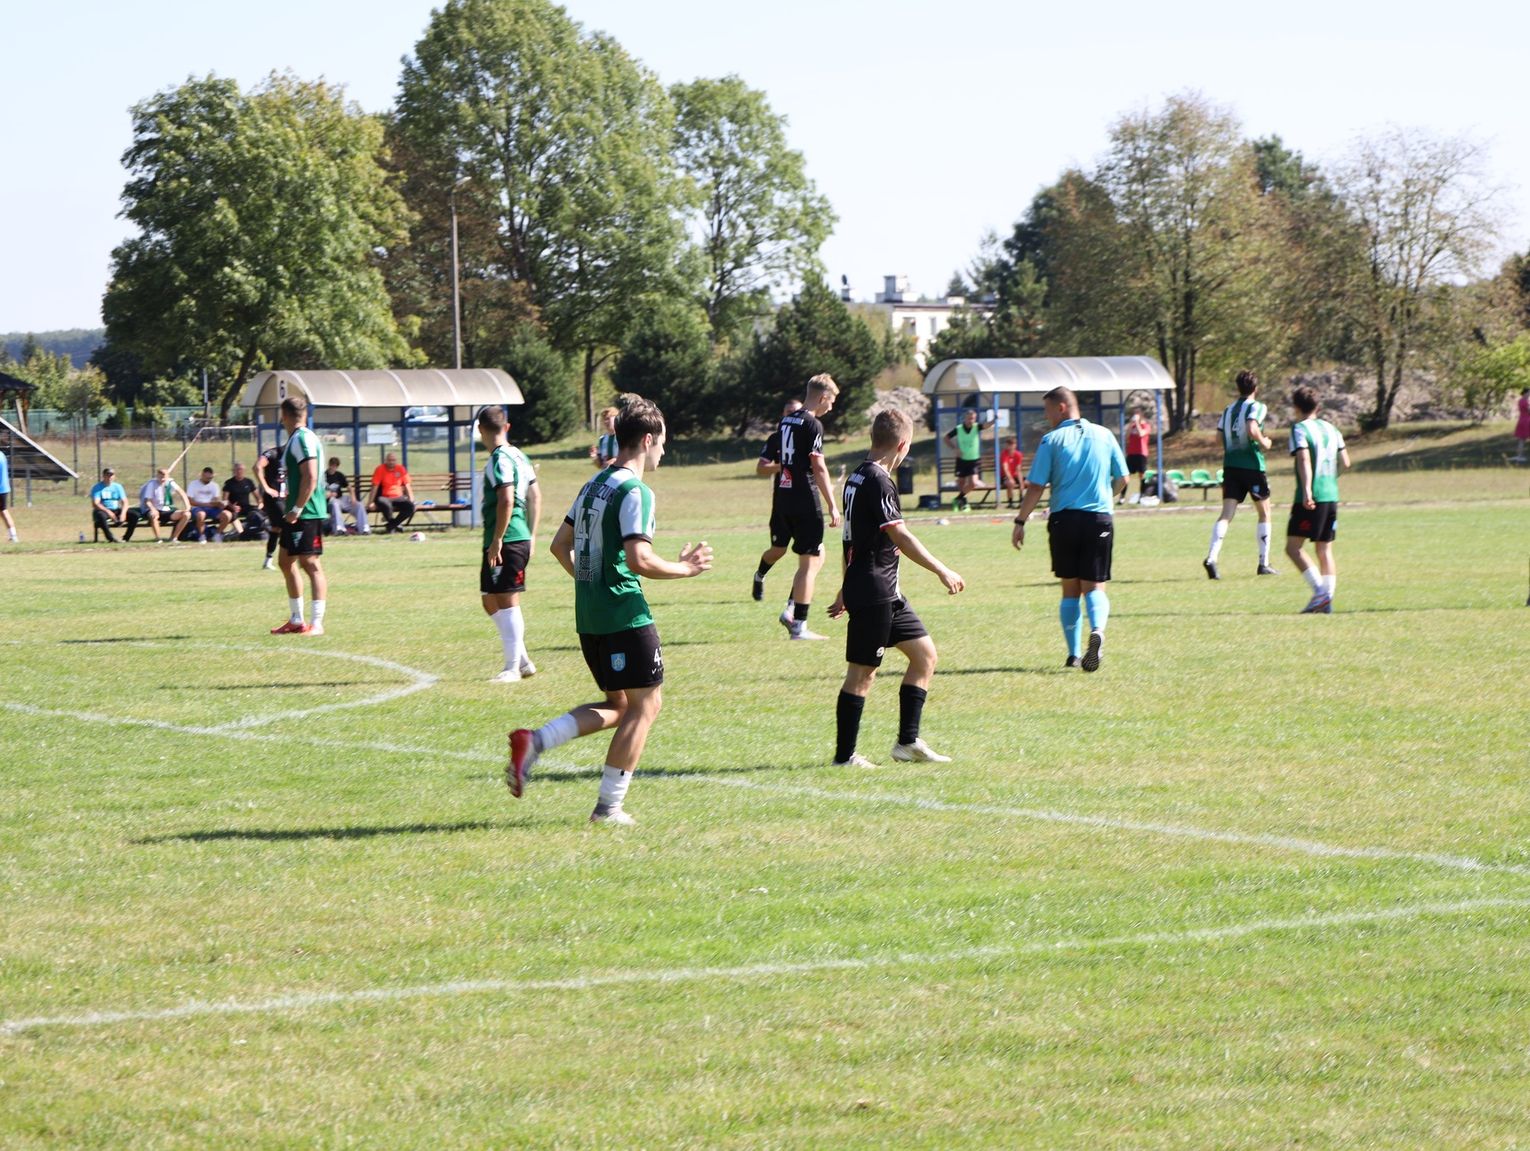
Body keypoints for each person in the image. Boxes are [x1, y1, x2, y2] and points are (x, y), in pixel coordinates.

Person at [506, 394, 712, 825]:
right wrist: (686, 569)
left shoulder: (593, 484)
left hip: (590, 616)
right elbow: (639, 559)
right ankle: (608, 807)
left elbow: (560, 546)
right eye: (663, 444)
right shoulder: (636, 490)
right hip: (624, 615)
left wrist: (591, 584)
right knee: (646, 705)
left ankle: (535, 741)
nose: (664, 452)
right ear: (649, 439)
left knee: (619, 703)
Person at [827, 408, 966, 769]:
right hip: (874, 591)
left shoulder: (856, 476)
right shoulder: (877, 479)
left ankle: (907, 742)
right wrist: (941, 569)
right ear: (902, 444)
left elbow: (848, 539)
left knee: (925, 656)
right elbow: (899, 534)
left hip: (884, 591)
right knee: (862, 674)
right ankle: (844, 758)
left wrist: (844, 586)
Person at [1011, 386, 1128, 672]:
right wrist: (1105, 497)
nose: (1046, 416)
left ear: (1061, 407)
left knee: (1070, 588)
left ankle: (1074, 654)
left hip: (1064, 520)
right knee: (1095, 585)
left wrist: (1020, 521)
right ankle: (1098, 630)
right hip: (1099, 518)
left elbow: (1036, 486)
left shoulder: (1051, 440)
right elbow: (1123, 478)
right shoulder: (1105, 435)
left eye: (1047, 410)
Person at [750, 374, 840, 639]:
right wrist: (833, 505)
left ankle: (791, 609)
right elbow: (818, 466)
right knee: (809, 563)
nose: (831, 407)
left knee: (817, 556)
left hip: (784, 497)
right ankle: (798, 624)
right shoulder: (813, 424)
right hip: (804, 498)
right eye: (831, 402)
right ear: (823, 397)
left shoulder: (787, 420)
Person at [477, 405, 542, 682]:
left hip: (508, 538)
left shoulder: (500, 459)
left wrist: (498, 539)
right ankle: (523, 661)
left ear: (480, 430)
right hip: (517, 535)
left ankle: (512, 667)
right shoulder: (520, 456)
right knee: (489, 599)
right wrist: (534, 534)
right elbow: (535, 496)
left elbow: (506, 499)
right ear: (507, 426)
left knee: (506, 598)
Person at [1204, 370, 1279, 579]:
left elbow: (1218, 439)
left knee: (1226, 514)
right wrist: (1264, 442)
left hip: (1230, 466)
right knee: (1264, 513)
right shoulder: (1257, 406)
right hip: (1252, 467)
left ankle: (1212, 557)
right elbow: (1252, 427)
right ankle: (1263, 563)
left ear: (1238, 388)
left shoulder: (1228, 410)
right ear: (1256, 388)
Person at [1284, 386, 1351, 614]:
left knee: (1293, 548)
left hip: (1310, 497)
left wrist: (1307, 490)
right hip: (1331, 494)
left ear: (1296, 408)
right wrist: (1330, 479)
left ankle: (1320, 595)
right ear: (1318, 407)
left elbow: (1303, 458)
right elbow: (1346, 462)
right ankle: (1326, 600)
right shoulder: (1332, 429)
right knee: (1324, 550)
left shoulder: (1299, 429)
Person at [270, 396, 328, 636]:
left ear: (284, 416)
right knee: (285, 562)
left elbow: (311, 476)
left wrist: (297, 508)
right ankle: (296, 620)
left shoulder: (302, 439)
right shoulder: (301, 437)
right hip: (295, 512)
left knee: (310, 563)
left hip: (306, 512)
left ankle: (316, 623)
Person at [943, 407, 996, 512]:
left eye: (973, 418)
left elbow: (986, 425)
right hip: (961, 460)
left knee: (973, 483)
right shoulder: (958, 429)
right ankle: (962, 503)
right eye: (969, 418)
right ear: (965, 418)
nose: (971, 420)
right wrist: (955, 448)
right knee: (961, 482)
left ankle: (958, 499)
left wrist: (994, 420)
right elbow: (946, 438)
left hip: (974, 460)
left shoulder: (976, 427)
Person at [132, 467, 189, 543]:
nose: (162, 479)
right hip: (154, 509)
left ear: (168, 476)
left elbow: (182, 493)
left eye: (164, 477)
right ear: (157, 476)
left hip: (167, 510)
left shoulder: (170, 482)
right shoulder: (152, 484)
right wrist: (153, 509)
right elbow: (147, 501)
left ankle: (174, 538)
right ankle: (158, 538)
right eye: (160, 477)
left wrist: (187, 506)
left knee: (187, 514)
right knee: (153, 515)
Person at [368, 452, 415, 533]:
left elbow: (407, 485)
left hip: (399, 497)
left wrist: (411, 498)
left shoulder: (401, 469)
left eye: (393, 460)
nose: (391, 462)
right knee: (385, 504)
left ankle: (392, 525)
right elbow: (374, 487)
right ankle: (394, 526)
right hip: (384, 497)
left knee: (410, 507)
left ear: (396, 461)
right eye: (389, 460)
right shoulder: (380, 469)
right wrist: (370, 502)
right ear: (385, 460)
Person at [256, 441, 285, 569]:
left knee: (276, 528)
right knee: (287, 525)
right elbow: (257, 467)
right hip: (273, 498)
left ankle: (268, 560)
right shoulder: (273, 453)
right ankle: (291, 558)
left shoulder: (293, 458)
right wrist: (266, 488)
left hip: (284, 498)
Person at [218, 461, 264, 539]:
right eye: (238, 469)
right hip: (233, 508)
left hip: (246, 507)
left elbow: (258, 498)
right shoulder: (229, 483)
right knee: (232, 514)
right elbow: (225, 499)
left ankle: (257, 532)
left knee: (258, 512)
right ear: (234, 471)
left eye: (241, 469)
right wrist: (232, 506)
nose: (239, 471)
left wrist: (260, 506)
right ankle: (240, 533)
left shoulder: (249, 482)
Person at [90, 467, 129, 542]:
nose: (109, 477)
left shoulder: (118, 487)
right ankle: (110, 538)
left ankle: (126, 538)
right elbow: (96, 503)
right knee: (101, 516)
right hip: (103, 510)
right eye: (107, 475)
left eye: (111, 475)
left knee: (134, 515)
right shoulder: (97, 487)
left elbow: (125, 502)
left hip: (116, 509)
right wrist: (109, 512)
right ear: (103, 476)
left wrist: (123, 513)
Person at [186, 466, 224, 541]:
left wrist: (220, 504)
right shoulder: (193, 484)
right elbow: (191, 501)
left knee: (227, 515)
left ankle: (217, 534)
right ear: (202, 475)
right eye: (207, 478)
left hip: (211, 508)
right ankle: (202, 536)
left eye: (210, 478)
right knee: (201, 514)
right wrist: (206, 504)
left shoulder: (215, 486)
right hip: (197, 508)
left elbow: (215, 500)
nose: (209, 480)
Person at [1124, 408, 1154, 502]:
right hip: (1131, 453)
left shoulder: (1146, 426)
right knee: (1126, 475)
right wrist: (1130, 424)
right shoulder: (1132, 426)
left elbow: (1141, 434)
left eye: (1137, 414)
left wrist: (1137, 423)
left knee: (1142, 475)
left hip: (1141, 453)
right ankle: (1122, 497)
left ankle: (1142, 496)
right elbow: (1126, 437)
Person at [999, 436, 1026, 509]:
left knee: (1026, 482)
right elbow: (1005, 468)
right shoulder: (1004, 454)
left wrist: (1021, 482)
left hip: (1015, 476)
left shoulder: (1018, 454)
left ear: (1015, 445)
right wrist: (1010, 478)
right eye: (1009, 444)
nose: (1010, 446)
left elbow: (1018, 470)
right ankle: (1010, 503)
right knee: (1010, 483)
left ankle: (1022, 501)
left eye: (1012, 444)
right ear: (1006, 445)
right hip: (1005, 476)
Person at [0, 445, 16, 542]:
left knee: (4, 512)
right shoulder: (2, 455)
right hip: (4, 488)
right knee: (3, 511)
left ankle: (13, 536)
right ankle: (13, 536)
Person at [1514, 387, 1530, 464]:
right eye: (1528, 393)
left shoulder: (1520, 401)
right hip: (1526, 421)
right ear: (1525, 393)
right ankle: (1520, 456)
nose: (1529, 394)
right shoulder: (1525, 401)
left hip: (1521, 420)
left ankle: (1519, 455)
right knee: (1522, 440)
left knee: (1521, 440)